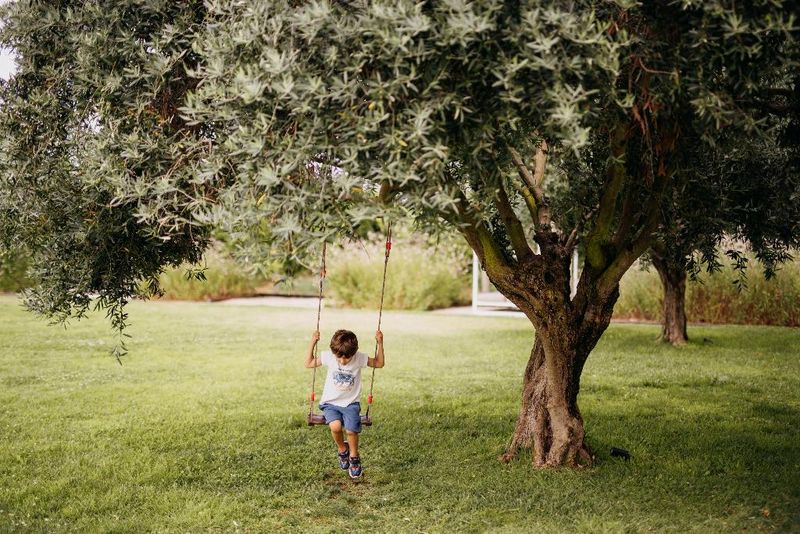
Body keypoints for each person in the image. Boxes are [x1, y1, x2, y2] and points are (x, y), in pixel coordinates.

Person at [305, 328, 385, 479]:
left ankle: (354, 457)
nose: (342, 361)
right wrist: (313, 341)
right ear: (333, 352)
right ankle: (343, 450)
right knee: (335, 426)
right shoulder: (329, 356)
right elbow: (308, 363)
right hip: (330, 403)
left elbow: (379, 363)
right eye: (339, 357)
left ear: (354, 352)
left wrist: (380, 343)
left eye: (347, 358)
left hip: (350, 404)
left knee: (351, 430)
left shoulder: (359, 358)